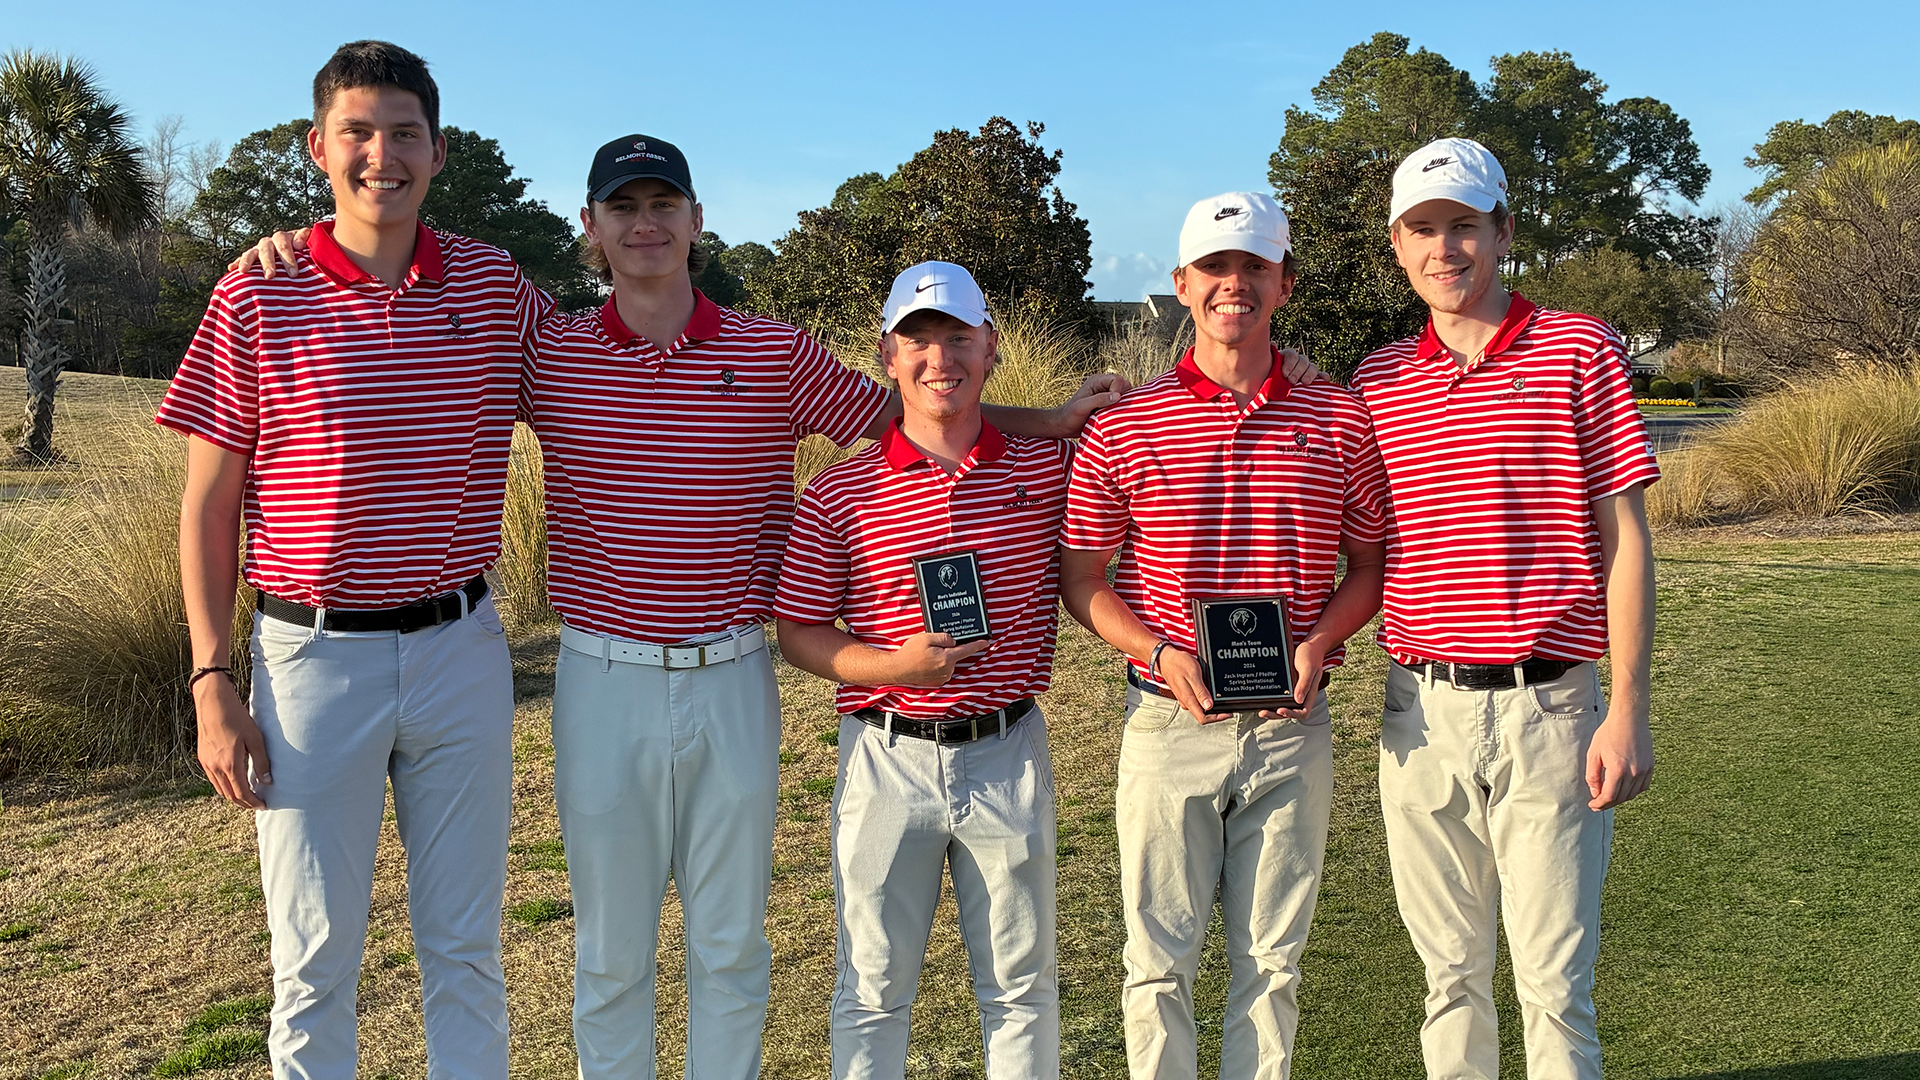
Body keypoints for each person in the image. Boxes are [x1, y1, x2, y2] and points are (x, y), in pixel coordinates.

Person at [160, 41, 548, 1080]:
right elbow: (210, 503)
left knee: (465, 950)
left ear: (440, 148)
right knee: (314, 959)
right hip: (309, 659)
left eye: (405, 134)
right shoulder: (254, 296)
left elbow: (607, 381)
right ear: (317, 147)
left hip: (460, 649)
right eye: (359, 133)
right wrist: (210, 676)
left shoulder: (492, 281)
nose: (385, 155)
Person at [1058, 192, 1392, 1080]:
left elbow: (1367, 566)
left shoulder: (1339, 417)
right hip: (1168, 721)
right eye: (1215, 268)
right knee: (1157, 964)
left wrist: (1319, 641)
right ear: (1181, 284)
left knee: (1272, 964)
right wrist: (1158, 653)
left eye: (1253, 267)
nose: (1232, 285)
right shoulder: (1121, 425)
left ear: (1283, 282)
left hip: (1292, 724)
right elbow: (1083, 581)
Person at [1354, 137, 1658, 1080]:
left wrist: (1628, 706)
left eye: (1464, 226)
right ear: (1399, 250)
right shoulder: (1377, 381)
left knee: (1554, 986)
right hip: (1422, 711)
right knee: (1449, 979)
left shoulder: (1579, 347)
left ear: (1503, 232)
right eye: (1424, 231)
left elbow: (1627, 539)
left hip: (1553, 710)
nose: (1445, 250)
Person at [775, 262, 1067, 1079]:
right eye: (919, 341)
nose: (941, 359)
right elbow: (798, 629)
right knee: (871, 986)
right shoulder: (839, 491)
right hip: (884, 754)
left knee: (1020, 985)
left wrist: (1287, 363)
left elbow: (1158, 429)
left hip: (1006, 749)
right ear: (887, 356)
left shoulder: (1047, 469)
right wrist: (890, 663)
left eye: (958, 338)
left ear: (991, 347)